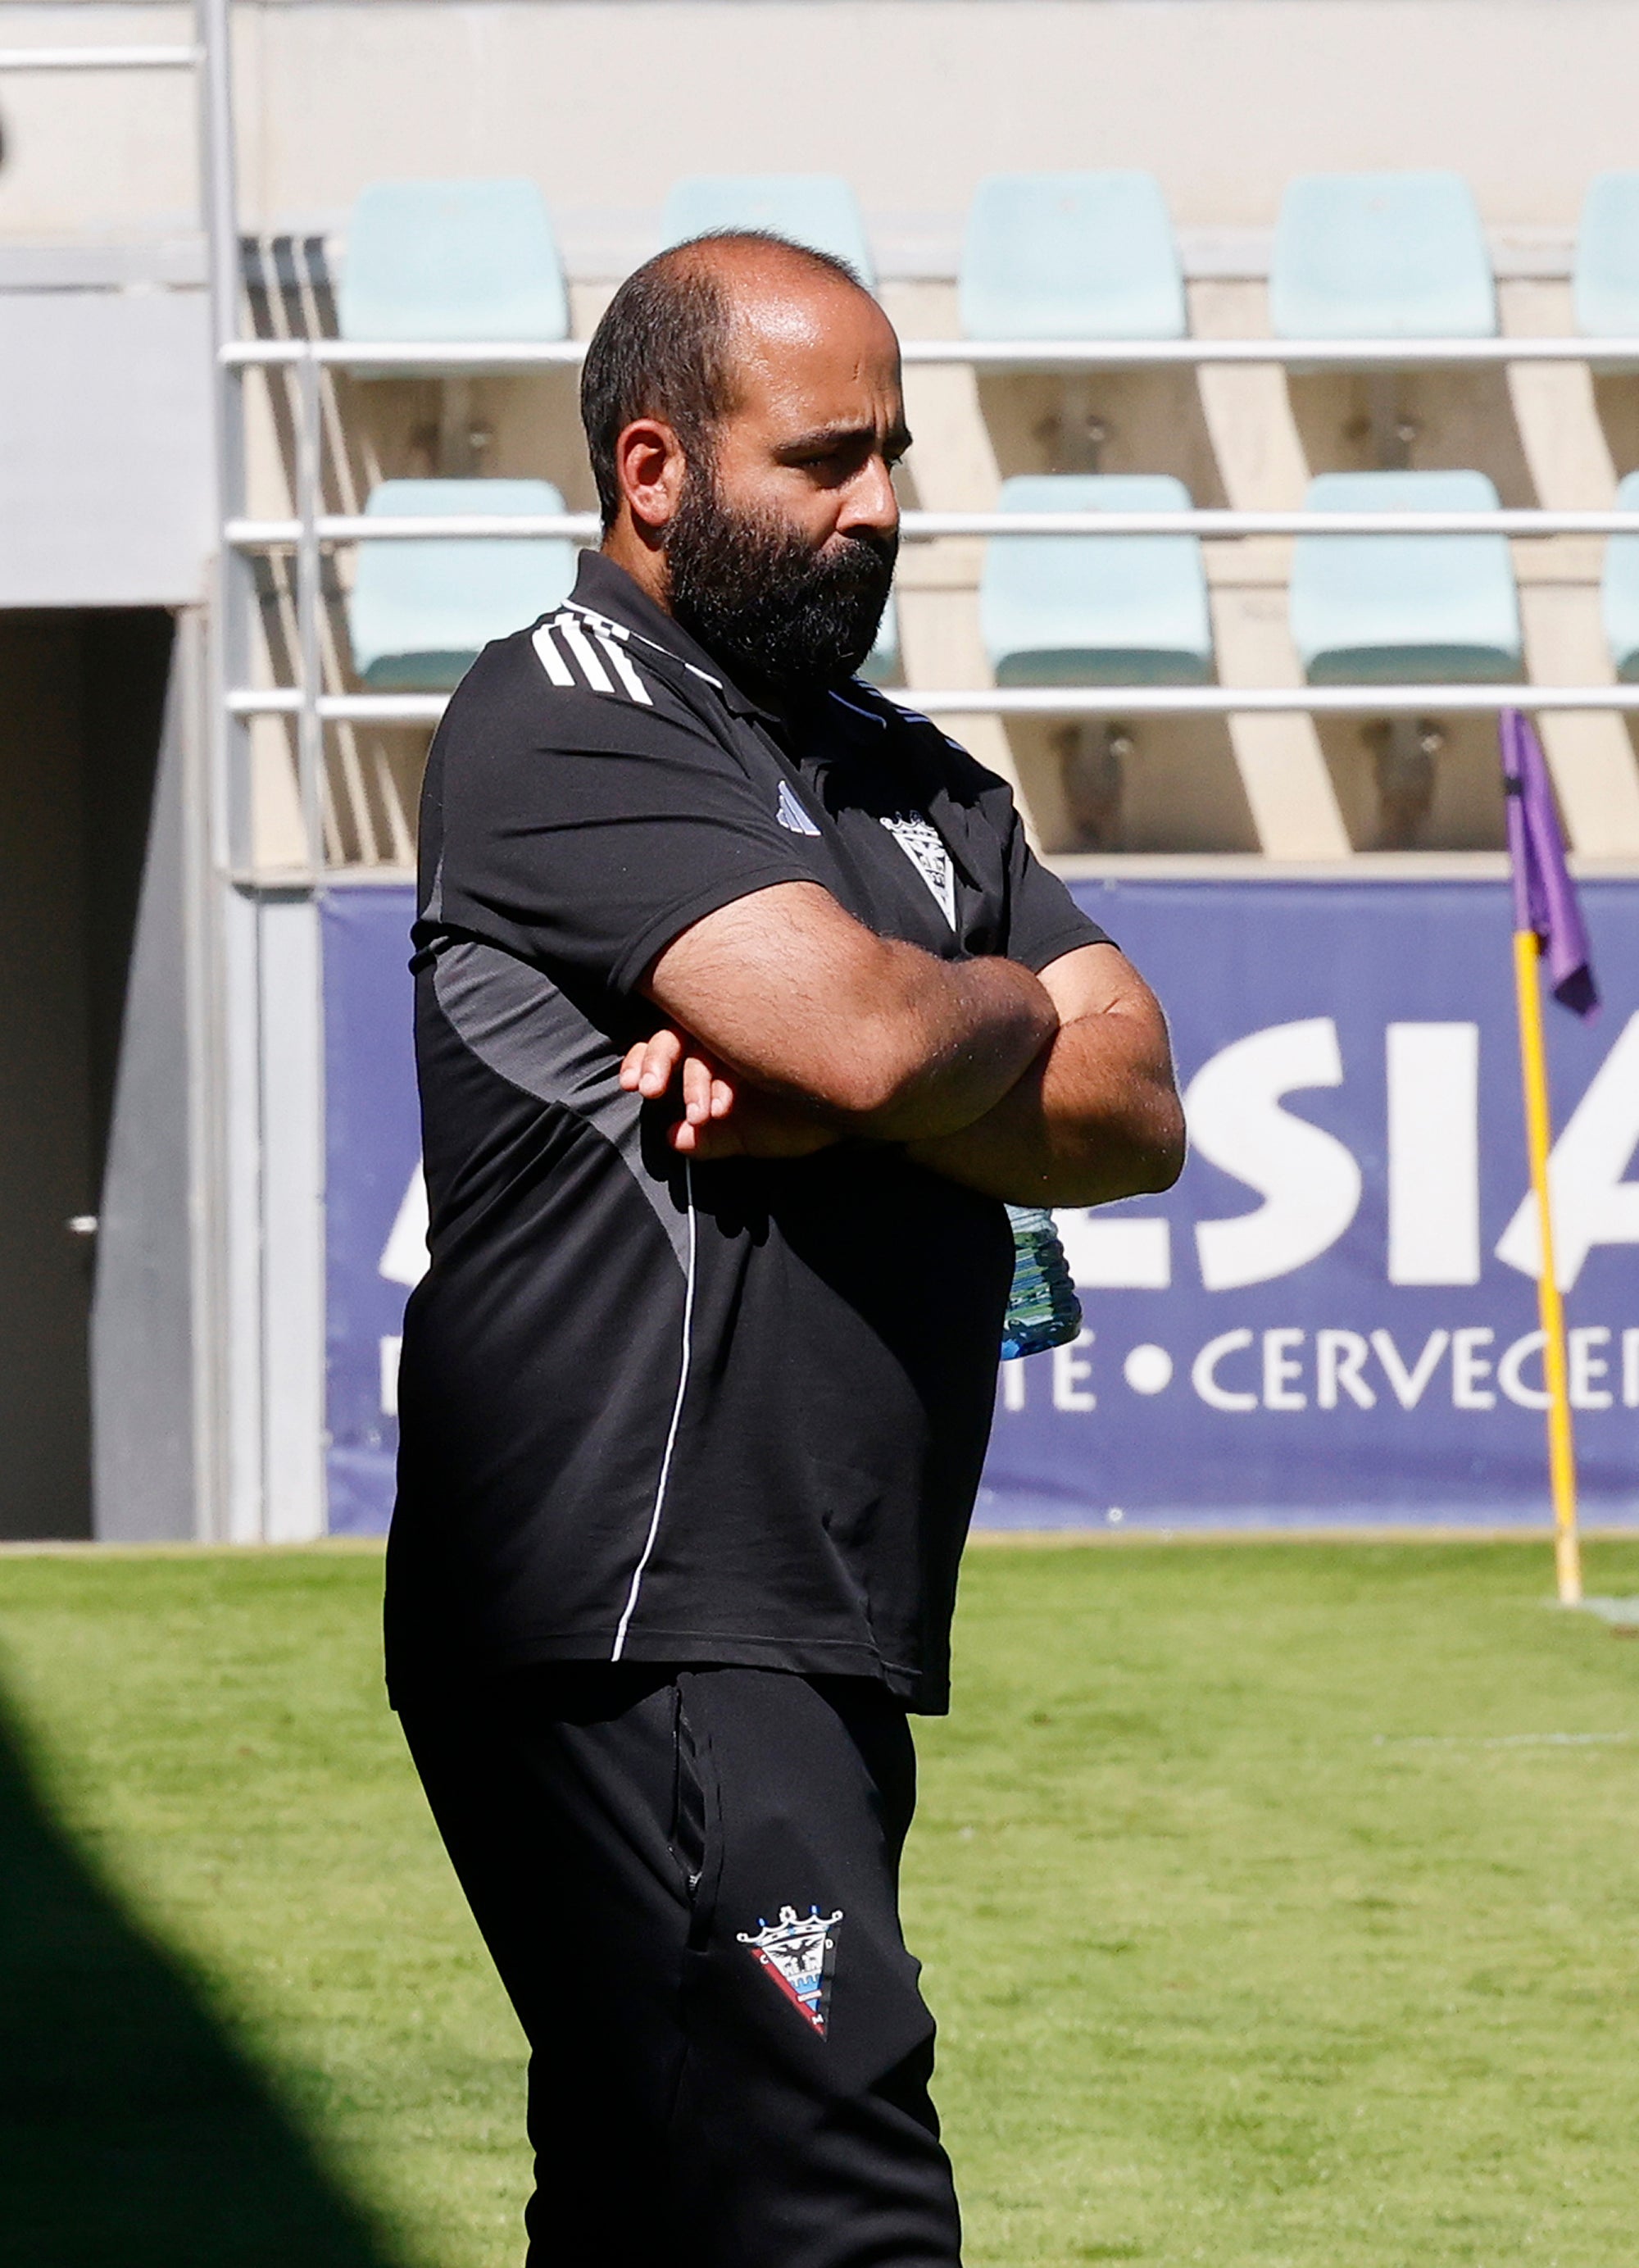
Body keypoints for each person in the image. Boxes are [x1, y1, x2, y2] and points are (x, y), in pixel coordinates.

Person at [388, 230, 1184, 2268]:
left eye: (894, 453)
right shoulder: (563, 713)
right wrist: (969, 1016)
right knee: (836, 2199)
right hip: (639, 1603)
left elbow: (1143, 1109)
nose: (882, 506)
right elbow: (868, 1030)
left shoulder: (911, 775)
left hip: (802, 1610)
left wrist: (910, 1040)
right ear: (652, 470)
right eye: (825, 459)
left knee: (663, 2201)